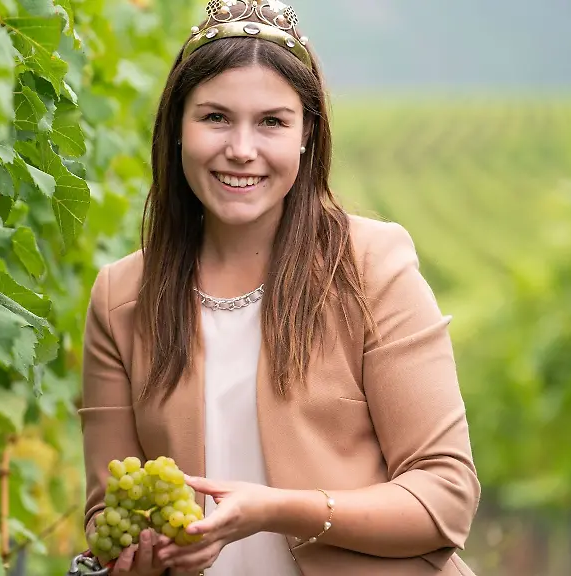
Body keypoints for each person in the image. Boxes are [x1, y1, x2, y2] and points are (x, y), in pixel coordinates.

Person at [78, 1, 481, 574]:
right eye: (215, 117)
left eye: (271, 121)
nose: (241, 148)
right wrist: (146, 555)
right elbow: (106, 514)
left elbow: (445, 496)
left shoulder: (371, 268)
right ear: (175, 128)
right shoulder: (121, 297)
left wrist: (274, 510)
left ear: (306, 134)